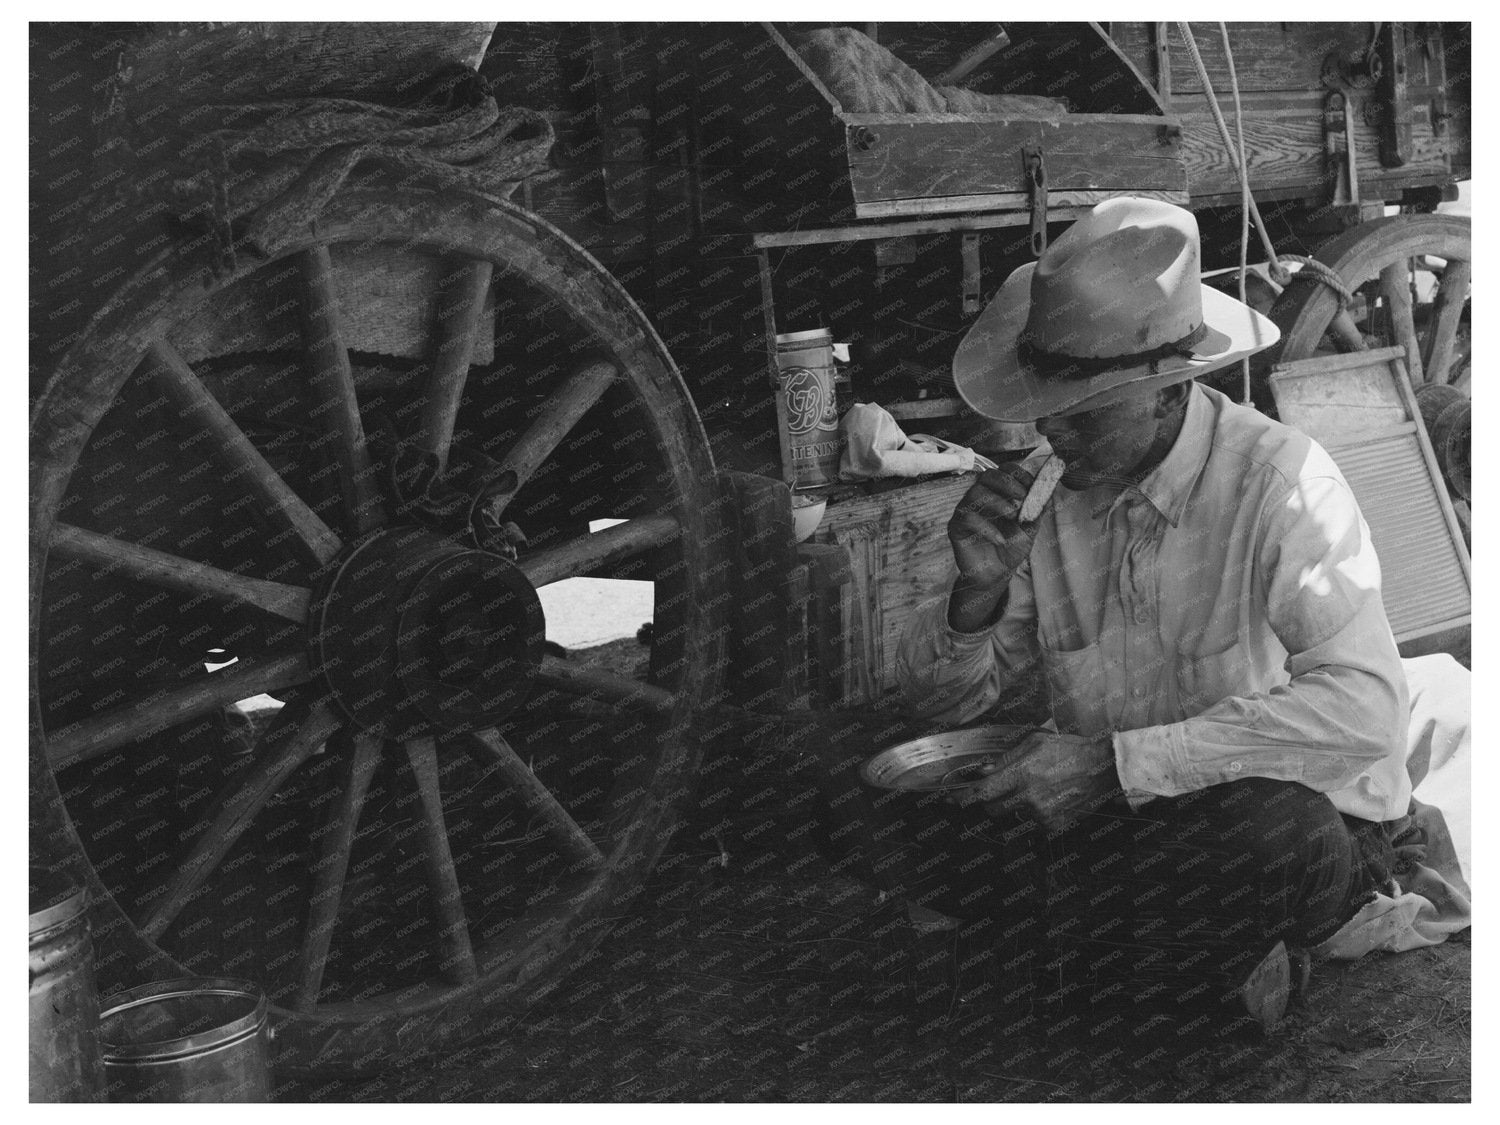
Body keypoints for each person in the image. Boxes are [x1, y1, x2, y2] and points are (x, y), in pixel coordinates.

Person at [893, 197, 1423, 1028]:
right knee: (840, 787)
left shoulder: (1282, 483)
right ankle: (1148, 964)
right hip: (1120, 836)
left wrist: (1113, 763)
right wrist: (977, 592)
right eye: (1047, 404)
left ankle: (1073, 959)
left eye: (1087, 408)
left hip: (1280, 827)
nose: (1053, 431)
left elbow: (1366, 714)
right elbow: (939, 714)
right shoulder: (1049, 492)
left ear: (1172, 395)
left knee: (1268, 837)